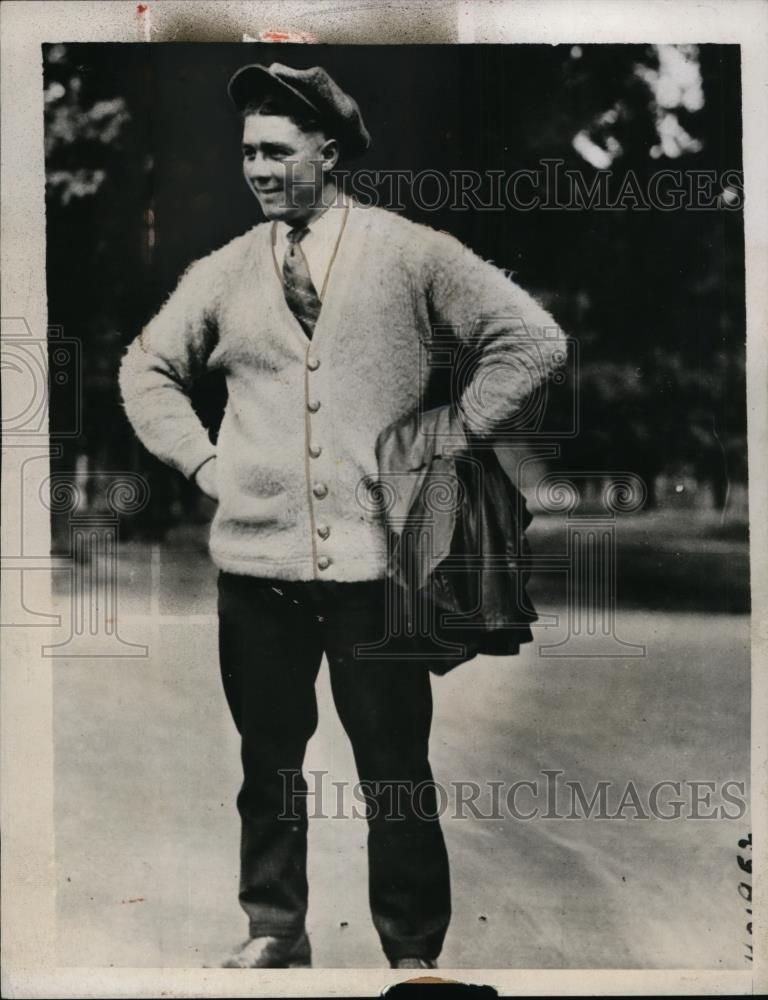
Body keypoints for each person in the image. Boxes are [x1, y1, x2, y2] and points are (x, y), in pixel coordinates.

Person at [119, 60, 566, 969]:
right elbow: (146, 367)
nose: (258, 168)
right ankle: (274, 929)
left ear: (330, 149)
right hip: (256, 575)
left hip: (378, 576)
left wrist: (449, 434)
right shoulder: (224, 271)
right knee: (267, 766)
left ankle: (413, 954)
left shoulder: (411, 253)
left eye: (277, 150)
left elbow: (533, 338)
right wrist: (207, 464)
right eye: (247, 151)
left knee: (395, 772)